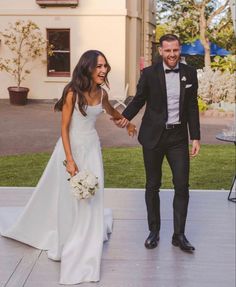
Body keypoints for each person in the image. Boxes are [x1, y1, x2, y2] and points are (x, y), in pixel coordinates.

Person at [0, 50, 136, 284]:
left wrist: (127, 123)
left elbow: (113, 113)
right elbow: (64, 128)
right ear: (88, 68)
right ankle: (67, 237)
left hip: (92, 148)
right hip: (69, 148)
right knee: (67, 195)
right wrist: (70, 160)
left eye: (105, 66)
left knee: (92, 195)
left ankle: (87, 235)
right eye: (99, 66)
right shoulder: (72, 92)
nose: (104, 70)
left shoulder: (102, 93)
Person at [114, 34, 200, 252]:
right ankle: (154, 231)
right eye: (168, 50)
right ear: (161, 51)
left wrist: (195, 136)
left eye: (175, 50)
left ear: (180, 50)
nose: (172, 54)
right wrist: (126, 116)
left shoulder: (189, 73)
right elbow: (139, 98)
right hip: (153, 136)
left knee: (182, 185)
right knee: (153, 185)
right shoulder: (149, 73)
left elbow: (191, 106)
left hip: (178, 138)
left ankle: (179, 235)